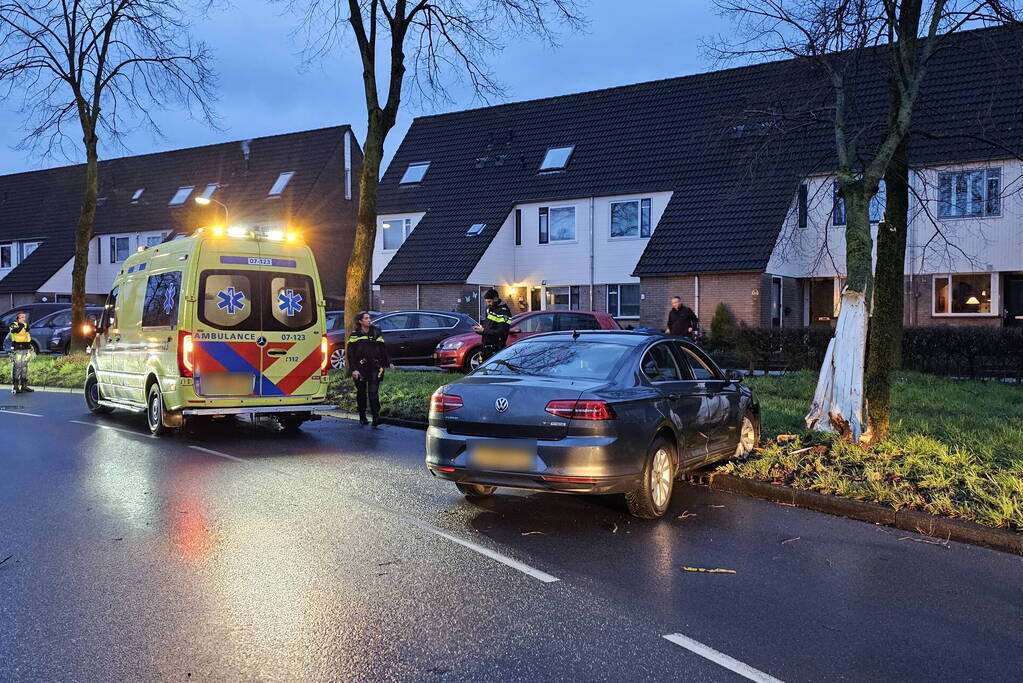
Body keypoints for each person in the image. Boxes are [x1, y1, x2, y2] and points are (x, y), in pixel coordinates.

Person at [346, 311, 392, 427]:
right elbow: (350, 354)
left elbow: (383, 349)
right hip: (360, 368)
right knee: (361, 393)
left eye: (369, 318)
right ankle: (362, 416)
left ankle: (376, 417)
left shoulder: (376, 332)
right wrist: (354, 369)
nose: (369, 320)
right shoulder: (355, 334)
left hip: (374, 367)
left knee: (373, 392)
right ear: (360, 321)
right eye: (366, 318)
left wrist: (389, 362)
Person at [473, 288, 513, 362]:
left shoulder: (504, 312)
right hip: (487, 348)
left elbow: (502, 332)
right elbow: (490, 327)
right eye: (486, 302)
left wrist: (484, 331)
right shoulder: (490, 309)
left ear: (495, 299)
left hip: (496, 349)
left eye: (489, 301)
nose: (488, 304)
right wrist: (480, 330)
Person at [8, 311, 34, 394]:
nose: (24, 318)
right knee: (17, 367)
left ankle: (24, 386)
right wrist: (21, 325)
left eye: (24, 317)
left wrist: (30, 346)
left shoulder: (26, 325)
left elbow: (27, 335)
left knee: (24, 367)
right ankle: (15, 387)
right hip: (17, 348)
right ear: (18, 318)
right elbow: (15, 331)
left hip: (26, 348)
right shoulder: (13, 324)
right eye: (22, 317)